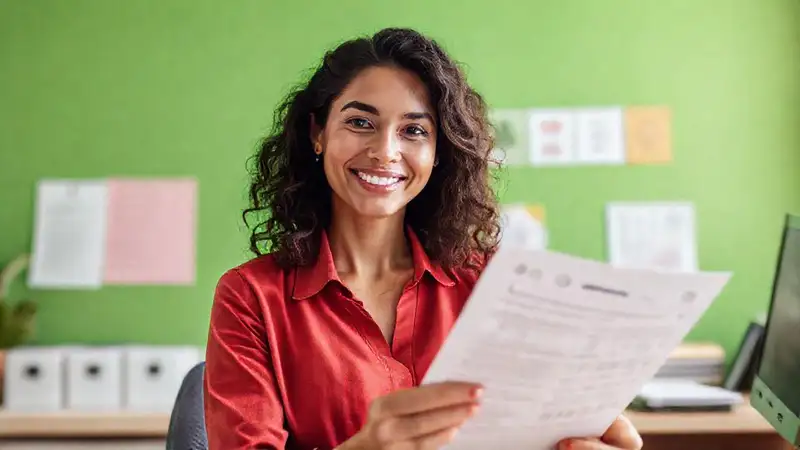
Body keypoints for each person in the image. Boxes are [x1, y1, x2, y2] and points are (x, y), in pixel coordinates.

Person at [204, 27, 643, 450]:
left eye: (414, 130)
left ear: (438, 154)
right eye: (360, 122)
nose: (385, 151)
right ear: (318, 133)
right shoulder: (250, 298)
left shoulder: (494, 283)